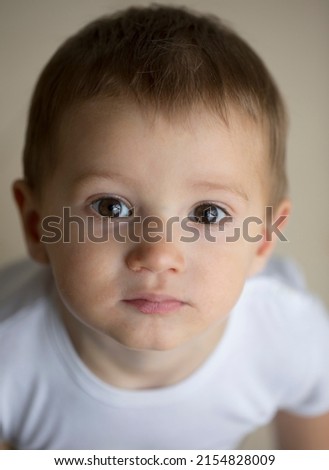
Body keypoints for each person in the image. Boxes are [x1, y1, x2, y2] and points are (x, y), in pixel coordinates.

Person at [1, 5, 329, 450]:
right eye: (111, 207)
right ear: (38, 226)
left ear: (262, 240)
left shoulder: (291, 337)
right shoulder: (10, 359)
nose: (157, 254)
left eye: (208, 214)